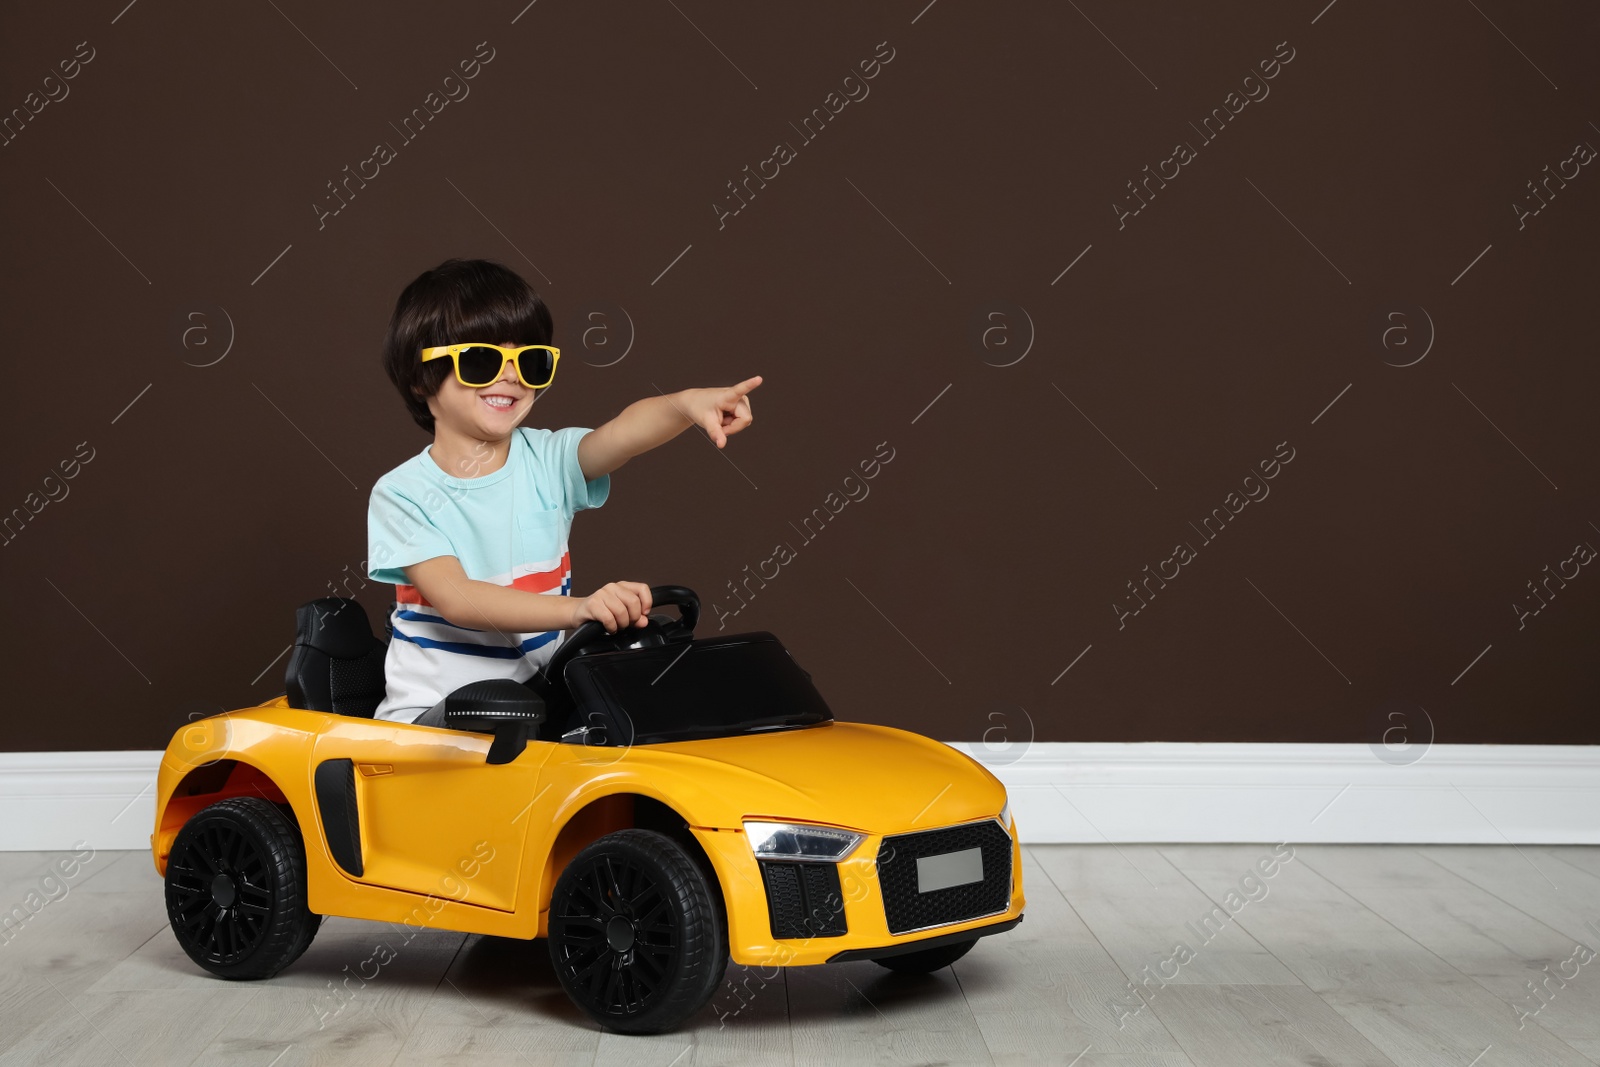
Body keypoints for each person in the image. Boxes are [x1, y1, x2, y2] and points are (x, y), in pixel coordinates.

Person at [365, 258, 761, 725]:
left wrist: (685, 405)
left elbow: (623, 433)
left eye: (529, 361)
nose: (510, 376)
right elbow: (460, 599)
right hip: (439, 718)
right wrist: (580, 610)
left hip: (539, 702)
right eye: (481, 360)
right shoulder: (403, 494)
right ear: (419, 376)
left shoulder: (548, 460)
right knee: (508, 718)